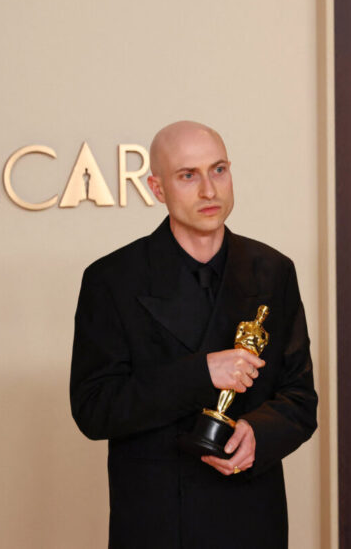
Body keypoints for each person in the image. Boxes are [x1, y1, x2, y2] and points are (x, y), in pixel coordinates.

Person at [70, 121, 317, 548]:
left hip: (252, 520)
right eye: (188, 175)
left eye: (218, 170)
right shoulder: (112, 279)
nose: (209, 190)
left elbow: (300, 398)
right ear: (157, 188)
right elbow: (94, 410)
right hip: (156, 524)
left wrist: (259, 433)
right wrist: (201, 374)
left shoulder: (273, 270)